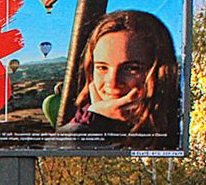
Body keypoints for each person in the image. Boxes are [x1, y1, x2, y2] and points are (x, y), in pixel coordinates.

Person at [58, 9, 179, 148]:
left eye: (131, 68)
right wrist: (96, 119)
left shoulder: (180, 128)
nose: (112, 82)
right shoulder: (80, 123)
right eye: (102, 68)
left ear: (160, 72)